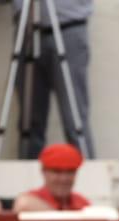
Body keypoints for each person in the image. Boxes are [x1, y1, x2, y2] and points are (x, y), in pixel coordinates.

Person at [12, 0, 93, 160]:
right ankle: (30, 173)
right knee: (29, 118)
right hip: (26, 31)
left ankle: (84, 172)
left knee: (74, 116)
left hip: (67, 28)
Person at [14, 142, 91, 211]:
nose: (64, 178)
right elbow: (23, 204)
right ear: (43, 171)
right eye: (57, 171)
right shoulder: (31, 201)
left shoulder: (82, 203)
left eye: (70, 171)